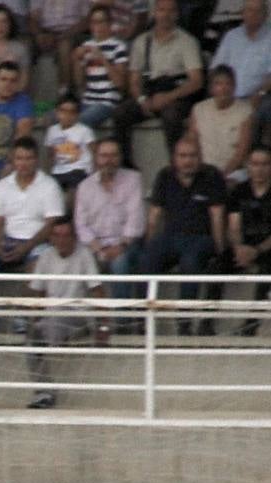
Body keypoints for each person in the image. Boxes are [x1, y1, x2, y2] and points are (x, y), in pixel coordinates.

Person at [138, 137, 226, 334]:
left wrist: (220, 251)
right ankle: (142, 319)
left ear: (200, 157)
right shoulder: (164, 176)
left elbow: (217, 215)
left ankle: (184, 322)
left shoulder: (211, 175)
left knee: (190, 261)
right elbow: (154, 216)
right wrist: (148, 244)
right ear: (174, 158)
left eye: (193, 156)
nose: (188, 161)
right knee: (147, 258)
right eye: (183, 156)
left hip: (201, 238)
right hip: (171, 237)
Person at [26, 216, 106, 409]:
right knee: (31, 339)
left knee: (51, 325)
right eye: (56, 235)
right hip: (51, 315)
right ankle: (44, 392)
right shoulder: (45, 256)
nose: (61, 240)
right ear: (51, 238)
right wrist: (32, 320)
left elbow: (98, 291)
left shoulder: (84, 254)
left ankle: (54, 343)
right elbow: (37, 292)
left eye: (66, 235)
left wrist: (103, 326)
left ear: (74, 237)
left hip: (78, 316)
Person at [111, 0, 203, 168]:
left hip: (177, 94)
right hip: (150, 92)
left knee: (172, 116)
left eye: (170, 11)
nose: (166, 15)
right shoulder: (142, 41)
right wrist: (141, 99)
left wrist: (168, 97)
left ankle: (176, 166)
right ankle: (124, 163)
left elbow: (196, 81)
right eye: (161, 10)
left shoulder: (187, 41)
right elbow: (134, 80)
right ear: (154, 12)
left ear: (177, 14)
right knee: (120, 113)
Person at [74, 135, 145, 301]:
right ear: (96, 158)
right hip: (95, 245)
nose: (109, 160)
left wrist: (120, 246)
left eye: (113, 155)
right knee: (76, 259)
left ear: (120, 158)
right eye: (104, 156)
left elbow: (135, 220)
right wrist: (98, 248)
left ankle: (122, 320)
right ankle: (86, 319)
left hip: (126, 244)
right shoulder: (85, 187)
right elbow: (80, 225)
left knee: (119, 263)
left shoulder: (133, 180)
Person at [0, 135, 63, 273]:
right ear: (13, 160)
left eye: (28, 158)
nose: (23, 163)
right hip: (8, 241)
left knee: (38, 264)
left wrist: (26, 247)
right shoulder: (2, 185)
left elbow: (51, 224)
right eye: (19, 158)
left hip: (39, 244)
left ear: (36, 160)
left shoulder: (50, 186)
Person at [209, 0, 271, 148]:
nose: (253, 15)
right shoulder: (231, 36)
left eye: (258, 11)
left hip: (259, 96)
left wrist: (260, 93)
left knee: (255, 114)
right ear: (242, 13)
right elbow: (216, 69)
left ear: (266, 14)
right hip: (228, 95)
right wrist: (220, 91)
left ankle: (250, 157)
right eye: (249, 10)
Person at [227, 145, 271, 334]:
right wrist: (238, 248)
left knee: (266, 270)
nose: (259, 169)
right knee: (216, 265)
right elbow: (234, 225)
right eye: (255, 164)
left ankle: (251, 324)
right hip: (244, 247)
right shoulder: (239, 191)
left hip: (267, 248)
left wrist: (257, 250)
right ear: (247, 166)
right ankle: (205, 321)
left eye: (265, 164)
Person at [185, 65, 253, 183]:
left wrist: (222, 175)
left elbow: (242, 151)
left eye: (228, 83)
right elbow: (192, 143)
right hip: (203, 170)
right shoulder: (199, 109)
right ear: (211, 88)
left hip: (234, 172)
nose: (223, 88)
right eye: (218, 83)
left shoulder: (246, 111)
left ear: (234, 86)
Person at [73, 2, 128, 127]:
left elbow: (120, 83)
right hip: (87, 101)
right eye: (93, 22)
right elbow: (79, 82)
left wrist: (102, 58)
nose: (97, 26)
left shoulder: (118, 46)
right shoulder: (87, 46)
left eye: (101, 22)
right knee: (56, 118)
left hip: (107, 102)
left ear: (109, 24)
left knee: (80, 122)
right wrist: (77, 59)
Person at [29, 0, 91, 95]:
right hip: (46, 31)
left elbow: (86, 21)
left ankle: (64, 91)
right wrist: (39, 34)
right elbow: (33, 18)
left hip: (72, 33)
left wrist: (64, 35)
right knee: (24, 46)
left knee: (64, 45)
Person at [43, 95, 95, 193]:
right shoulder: (52, 131)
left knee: (73, 190)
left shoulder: (85, 131)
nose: (67, 115)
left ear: (78, 114)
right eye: (63, 111)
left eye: (72, 112)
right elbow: (50, 155)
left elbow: (94, 152)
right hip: (58, 171)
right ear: (57, 112)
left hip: (78, 170)